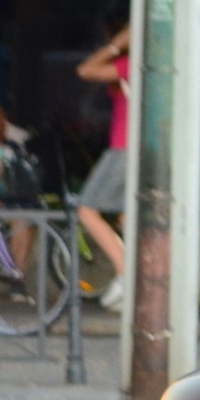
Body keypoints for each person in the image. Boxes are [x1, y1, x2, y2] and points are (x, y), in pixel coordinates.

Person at [71, 26, 134, 310]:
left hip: (124, 148)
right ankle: (137, 279)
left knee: (87, 209)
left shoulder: (130, 64)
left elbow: (85, 70)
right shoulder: (149, 66)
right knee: (126, 217)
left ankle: (126, 275)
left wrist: (116, 46)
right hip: (137, 147)